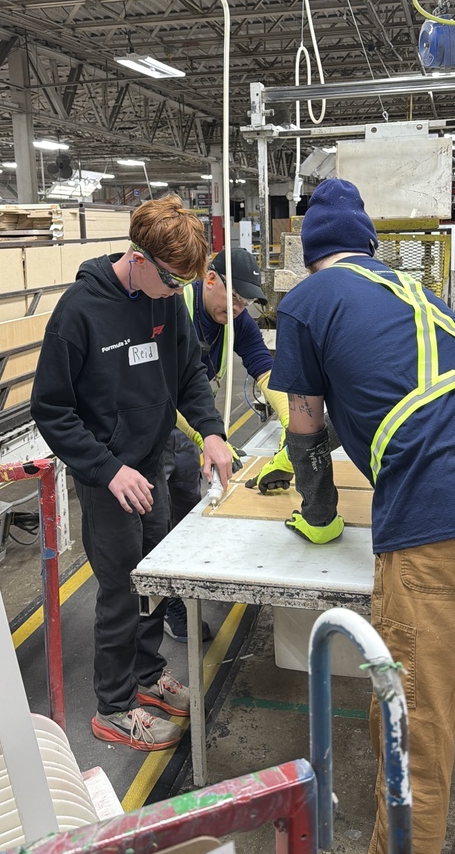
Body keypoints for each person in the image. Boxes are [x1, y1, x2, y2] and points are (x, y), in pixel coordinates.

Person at [269, 177, 455, 854]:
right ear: (369, 246)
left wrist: (321, 514)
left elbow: (304, 430)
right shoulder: (414, 294)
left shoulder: (306, 302)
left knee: (416, 729)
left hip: (442, 521)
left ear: (310, 254)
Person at [31, 195, 233, 753]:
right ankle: (114, 706)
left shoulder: (166, 303)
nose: (177, 292)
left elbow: (189, 371)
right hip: (108, 477)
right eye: (171, 280)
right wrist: (106, 468)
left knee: (154, 581)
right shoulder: (79, 312)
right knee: (120, 591)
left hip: (154, 463)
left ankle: (147, 678)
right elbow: (50, 409)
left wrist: (211, 430)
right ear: (138, 258)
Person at [163, 246, 292, 641]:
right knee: (157, 516)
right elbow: (165, 395)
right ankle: (167, 606)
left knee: (186, 506)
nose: (238, 308)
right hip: (155, 420)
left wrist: (295, 426)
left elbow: (263, 367)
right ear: (210, 278)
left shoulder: (235, 319)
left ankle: (184, 585)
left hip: (194, 419)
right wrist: (209, 437)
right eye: (234, 298)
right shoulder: (173, 311)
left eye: (247, 301)